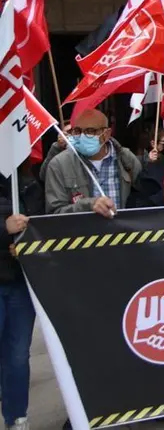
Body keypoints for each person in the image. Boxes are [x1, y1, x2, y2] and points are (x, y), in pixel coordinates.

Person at [0, 164, 40, 430]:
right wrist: (3, 229)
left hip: (20, 283)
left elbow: (43, 221)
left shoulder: (30, 183)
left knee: (17, 356)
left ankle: (17, 418)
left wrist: (28, 244)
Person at [44, 109, 142, 218]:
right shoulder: (59, 164)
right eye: (77, 131)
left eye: (90, 131)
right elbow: (54, 214)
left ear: (106, 134)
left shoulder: (126, 159)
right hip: (81, 233)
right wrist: (88, 206)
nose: (82, 136)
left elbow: (142, 199)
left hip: (123, 233)